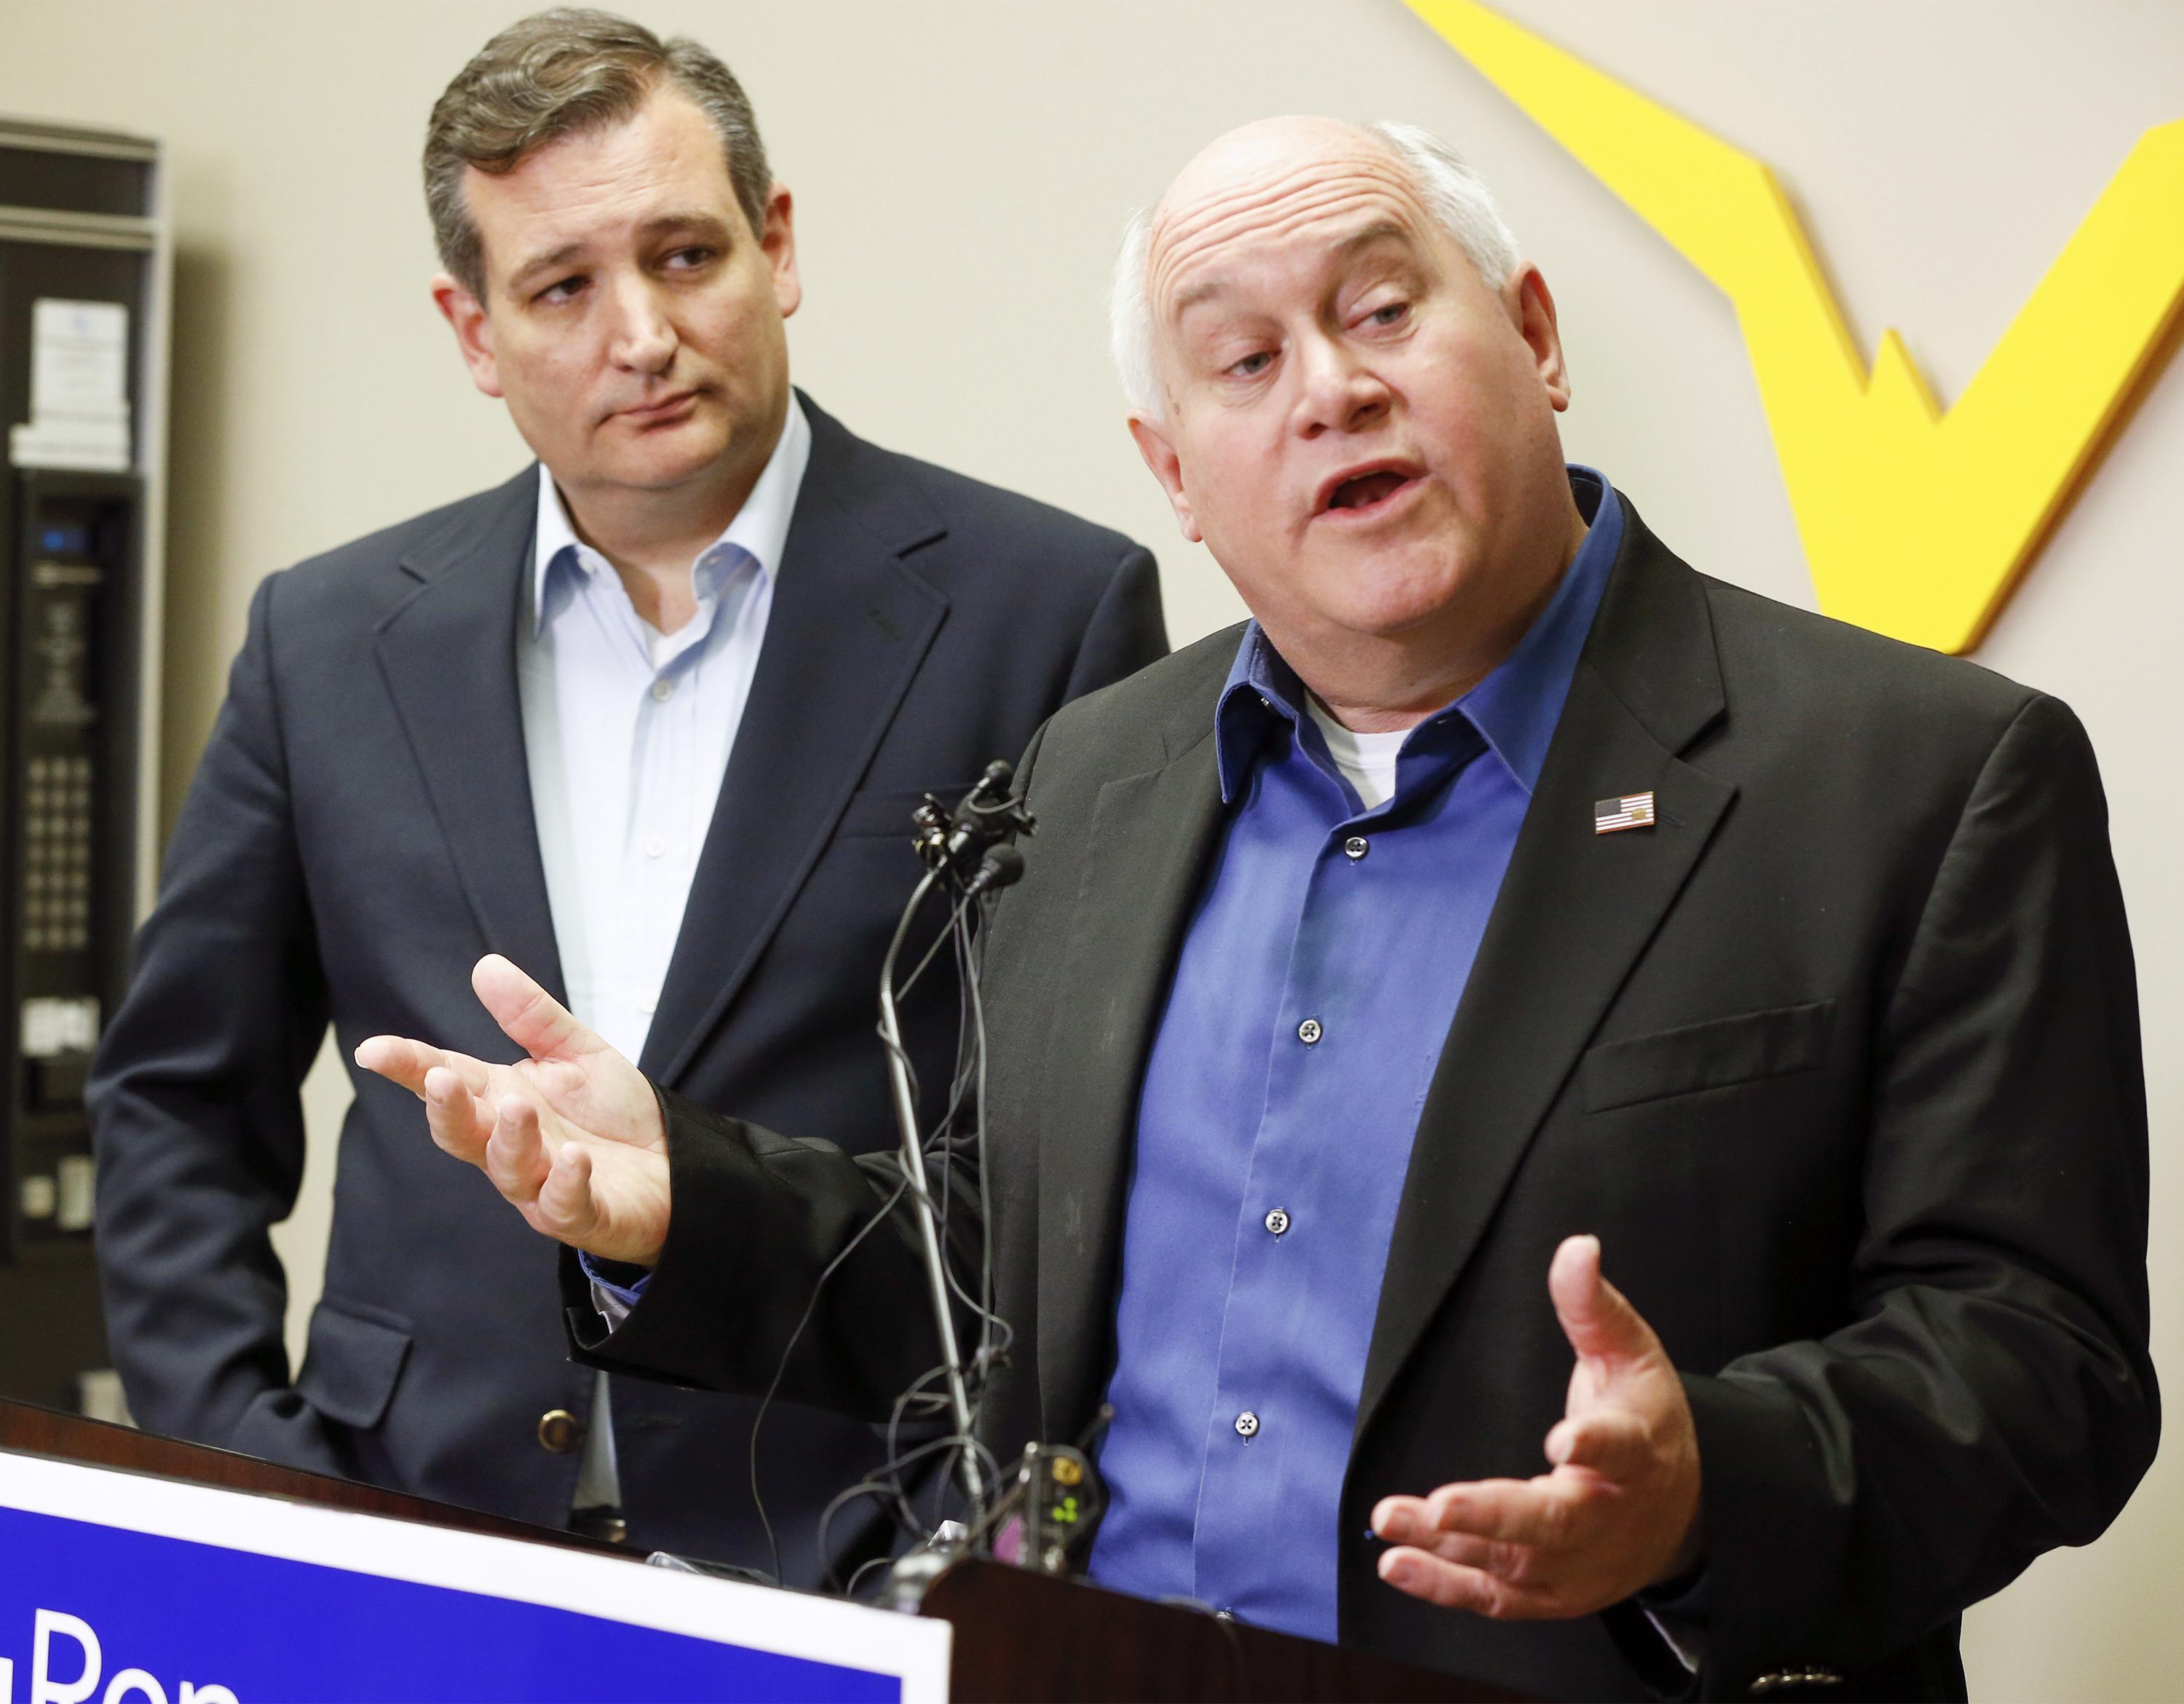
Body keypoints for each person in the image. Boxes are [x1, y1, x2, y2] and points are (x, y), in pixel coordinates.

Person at [357, 116, 2155, 1699]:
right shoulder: (1090, 777)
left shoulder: (1916, 778)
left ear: (1533, 340)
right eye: (1241, 359)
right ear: (1174, 475)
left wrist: (1707, 1491)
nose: (1330, 388)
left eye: (1383, 310)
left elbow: (2040, 1363)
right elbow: (1009, 1275)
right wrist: (686, 1206)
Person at [87, 9, 1164, 1584]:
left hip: (841, 1551)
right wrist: (254, 1479)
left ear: (776, 244)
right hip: (399, 1533)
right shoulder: (325, 642)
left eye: (681, 256)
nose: (640, 335)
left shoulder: (1045, 611)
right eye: (563, 287)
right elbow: (178, 1105)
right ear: (474, 332)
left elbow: (1066, 1171)